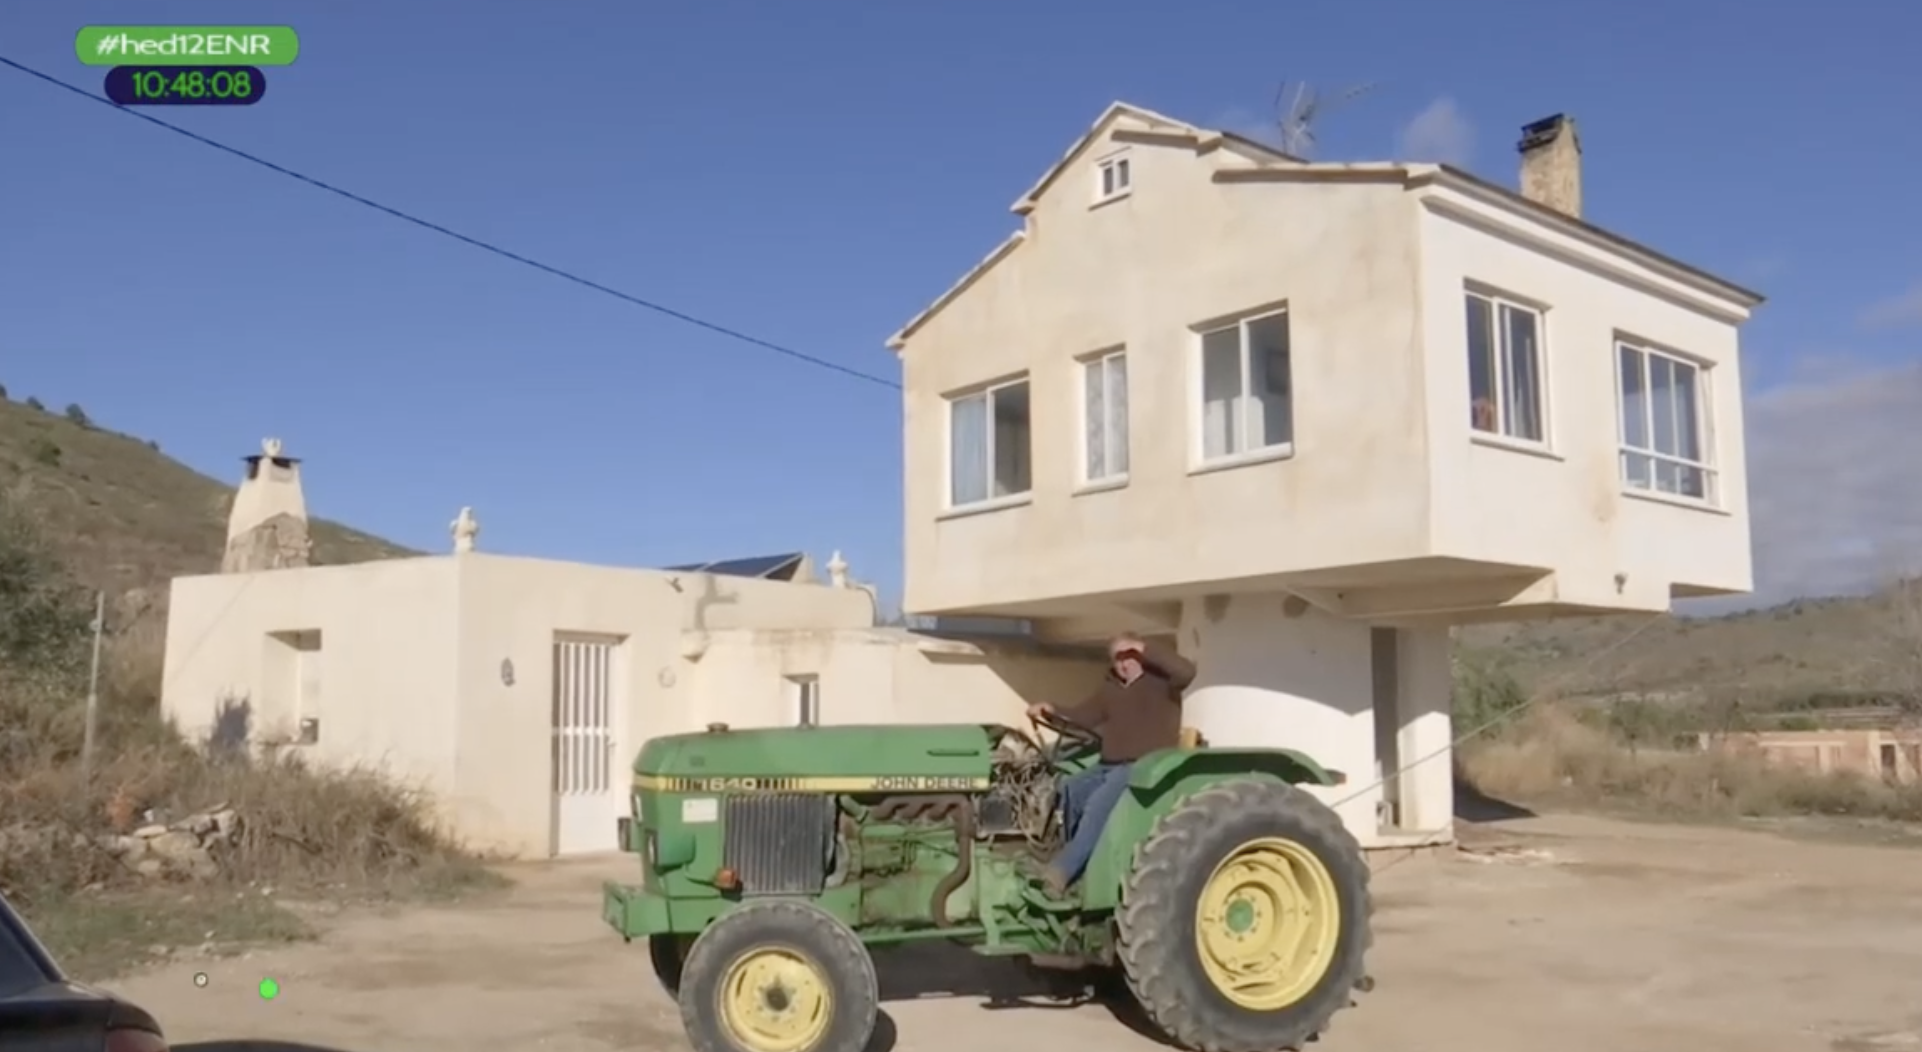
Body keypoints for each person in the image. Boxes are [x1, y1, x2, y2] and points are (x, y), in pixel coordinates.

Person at [1026, 633, 1197, 895]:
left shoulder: (1162, 683)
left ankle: (1059, 875)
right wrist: (1050, 709)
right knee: (1069, 789)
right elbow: (1082, 717)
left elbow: (1186, 671)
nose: (1124, 663)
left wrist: (1143, 646)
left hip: (1144, 765)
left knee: (1097, 806)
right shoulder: (1111, 690)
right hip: (1109, 765)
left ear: (1141, 656)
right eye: (1118, 659)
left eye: (1129, 656)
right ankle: (1071, 858)